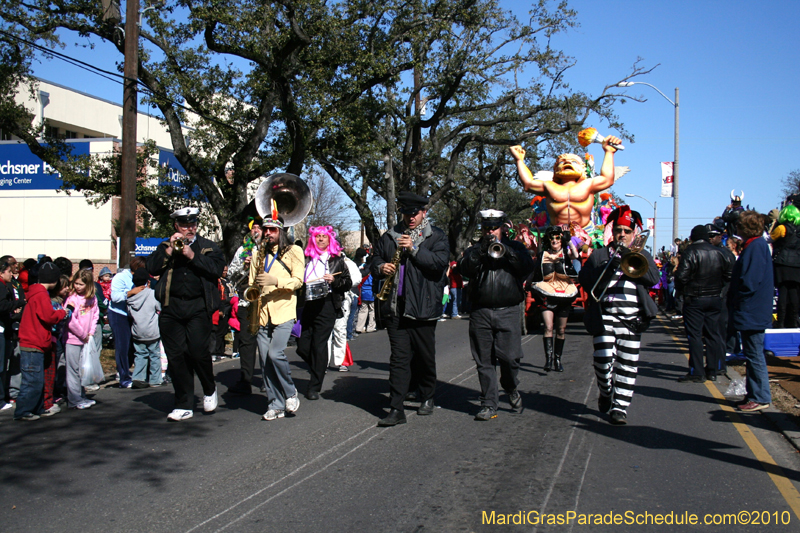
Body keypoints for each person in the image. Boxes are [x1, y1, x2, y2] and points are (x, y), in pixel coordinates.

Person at [371, 191, 449, 427]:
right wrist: (380, 266)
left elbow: (438, 265)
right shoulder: (390, 236)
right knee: (399, 359)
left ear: (424, 212)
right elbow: (374, 258)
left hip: (423, 306)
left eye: (414, 213)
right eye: (406, 213)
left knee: (425, 356)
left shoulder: (435, 236)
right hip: (395, 307)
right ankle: (396, 408)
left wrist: (414, 249)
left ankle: (427, 395)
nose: (410, 218)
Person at [578, 206, 659, 425]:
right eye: (618, 230)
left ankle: (620, 407)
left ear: (634, 234)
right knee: (603, 362)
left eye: (626, 231)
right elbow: (585, 280)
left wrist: (630, 259)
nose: (622, 234)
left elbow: (653, 279)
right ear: (613, 232)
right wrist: (607, 268)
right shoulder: (600, 254)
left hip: (632, 319)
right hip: (605, 316)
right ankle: (606, 392)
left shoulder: (642, 254)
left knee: (627, 364)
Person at [146, 207, 226, 421]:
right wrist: (170, 251)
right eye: (184, 225)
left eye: (192, 225)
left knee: (198, 351)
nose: (189, 229)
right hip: (171, 307)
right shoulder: (165, 246)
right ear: (176, 226)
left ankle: (209, 388)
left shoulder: (208, 247)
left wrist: (192, 255)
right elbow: (151, 268)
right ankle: (184, 403)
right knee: (176, 356)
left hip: (198, 307)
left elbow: (216, 269)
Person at [457, 209, 534, 420]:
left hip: (508, 310)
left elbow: (527, 267)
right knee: (484, 361)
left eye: (495, 227)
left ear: (503, 228)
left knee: (510, 358)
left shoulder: (516, 247)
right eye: (487, 228)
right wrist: (480, 252)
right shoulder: (475, 249)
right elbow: (464, 270)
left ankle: (510, 387)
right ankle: (489, 403)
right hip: (480, 311)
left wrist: (507, 252)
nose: (491, 231)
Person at [248, 213, 306, 420]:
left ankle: (290, 392)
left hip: (284, 310)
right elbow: (252, 283)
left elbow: (298, 281)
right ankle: (275, 404)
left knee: (275, 354)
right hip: (262, 313)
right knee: (264, 361)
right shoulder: (258, 253)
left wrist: (276, 280)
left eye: (272, 230)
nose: (268, 233)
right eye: (265, 229)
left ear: (281, 231)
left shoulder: (294, 251)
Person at [509, 134, 623, 228]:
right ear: (555, 169)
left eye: (573, 162)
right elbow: (528, 184)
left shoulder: (588, 185)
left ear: (582, 168)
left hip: (585, 235)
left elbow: (607, 179)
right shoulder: (549, 186)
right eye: (562, 162)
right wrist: (519, 160)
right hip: (555, 236)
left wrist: (609, 152)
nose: (567, 163)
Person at [296, 225, 352, 400]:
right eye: (317, 236)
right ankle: (318, 367)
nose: (320, 239)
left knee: (319, 344)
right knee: (303, 346)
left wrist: (334, 280)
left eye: (324, 237)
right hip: (308, 304)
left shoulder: (337, 260)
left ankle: (314, 385)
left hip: (327, 304)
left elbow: (348, 282)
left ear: (330, 240)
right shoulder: (305, 258)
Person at [674, 225, 733, 382]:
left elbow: (681, 277)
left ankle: (697, 371)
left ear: (693, 237)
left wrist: (683, 290)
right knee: (713, 334)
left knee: (695, 336)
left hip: (694, 298)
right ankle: (713, 370)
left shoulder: (691, 252)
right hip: (715, 298)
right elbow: (729, 275)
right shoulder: (721, 252)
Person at [729, 211, 774, 412]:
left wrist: (738, 294)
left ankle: (760, 396)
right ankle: (754, 393)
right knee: (751, 353)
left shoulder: (755, 246)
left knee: (754, 354)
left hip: (752, 310)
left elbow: (750, 280)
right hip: (752, 310)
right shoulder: (755, 245)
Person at [14, 262, 70, 421]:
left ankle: (36, 408)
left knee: (36, 379)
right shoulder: (41, 295)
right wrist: (61, 313)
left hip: (33, 341)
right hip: (34, 342)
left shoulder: (35, 293)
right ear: (53, 280)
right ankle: (23, 411)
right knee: (32, 380)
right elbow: (48, 316)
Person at [528, 225, 579, 372]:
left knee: (561, 330)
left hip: (564, 295)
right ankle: (548, 360)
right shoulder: (543, 255)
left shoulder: (566, 254)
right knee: (548, 327)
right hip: (547, 295)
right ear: (548, 240)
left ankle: (558, 359)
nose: (555, 240)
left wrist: (569, 241)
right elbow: (535, 271)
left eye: (557, 237)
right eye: (552, 238)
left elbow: (575, 255)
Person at [227, 217, 264, 395]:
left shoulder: (271, 249)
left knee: (266, 343)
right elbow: (231, 275)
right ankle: (245, 380)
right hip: (247, 302)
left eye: (259, 227)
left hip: (266, 303)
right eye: (253, 227)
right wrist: (244, 266)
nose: (256, 230)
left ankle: (267, 379)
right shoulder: (243, 250)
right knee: (246, 342)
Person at [63, 269, 100, 409]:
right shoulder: (72, 299)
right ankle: (74, 399)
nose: (78, 287)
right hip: (73, 338)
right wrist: (82, 334)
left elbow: (95, 314)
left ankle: (81, 395)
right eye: (76, 283)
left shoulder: (92, 298)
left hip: (86, 338)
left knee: (82, 369)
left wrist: (90, 332)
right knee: (73, 370)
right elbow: (70, 319)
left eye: (81, 284)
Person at [109, 256, 146, 389]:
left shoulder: (143, 280)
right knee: (122, 347)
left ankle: (128, 371)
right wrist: (130, 292)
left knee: (132, 346)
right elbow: (115, 297)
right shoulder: (120, 277)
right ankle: (123, 377)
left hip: (133, 315)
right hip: (118, 314)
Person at [127, 268, 163, 389]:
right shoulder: (152, 294)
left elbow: (129, 313)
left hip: (137, 330)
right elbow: (159, 308)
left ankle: (138, 377)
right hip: (152, 330)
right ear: (147, 281)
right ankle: (155, 379)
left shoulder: (130, 297)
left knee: (140, 355)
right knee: (154, 355)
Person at [328, 255, 361, 372]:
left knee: (340, 330)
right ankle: (323, 362)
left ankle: (341, 361)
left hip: (342, 299)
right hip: (325, 300)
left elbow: (356, 279)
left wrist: (338, 283)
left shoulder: (347, 262)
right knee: (325, 333)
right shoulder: (319, 260)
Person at [770, 204, 800, 328]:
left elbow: (770, 238)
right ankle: (793, 320)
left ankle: (780, 321)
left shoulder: (782, 228)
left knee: (782, 292)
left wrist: (774, 224)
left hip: (782, 263)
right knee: (794, 292)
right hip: (797, 263)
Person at [0, 259, 22, 410]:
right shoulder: (2, 286)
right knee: (1, 366)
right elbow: (2, 305)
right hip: (2, 329)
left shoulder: (11, 285)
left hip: (5, 328)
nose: (11, 273)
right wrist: (18, 304)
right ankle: (1, 400)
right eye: (8, 271)